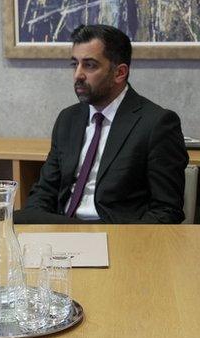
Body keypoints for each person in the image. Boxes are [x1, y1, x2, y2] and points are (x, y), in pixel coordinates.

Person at [14, 24, 188, 224]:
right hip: (64, 230)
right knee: (10, 222)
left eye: (89, 65)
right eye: (75, 64)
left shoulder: (156, 124)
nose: (78, 75)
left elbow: (166, 210)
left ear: (119, 73)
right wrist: (37, 231)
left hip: (117, 234)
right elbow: (45, 191)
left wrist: (125, 242)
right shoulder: (68, 119)